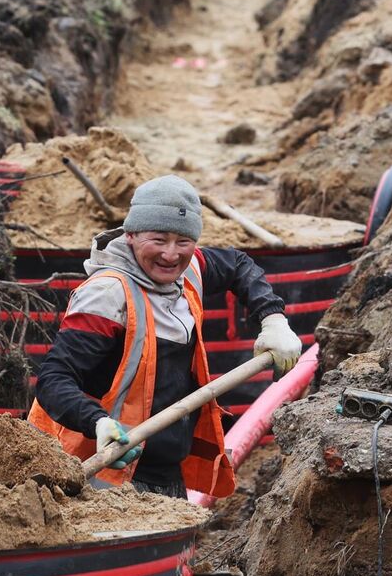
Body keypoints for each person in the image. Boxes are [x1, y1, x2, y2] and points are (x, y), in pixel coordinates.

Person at [27, 174, 304, 500]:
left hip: (166, 469)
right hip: (100, 472)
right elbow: (53, 379)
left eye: (182, 242)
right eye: (158, 240)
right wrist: (97, 422)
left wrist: (273, 320)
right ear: (131, 235)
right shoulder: (107, 296)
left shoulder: (190, 270)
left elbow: (238, 265)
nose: (171, 255)